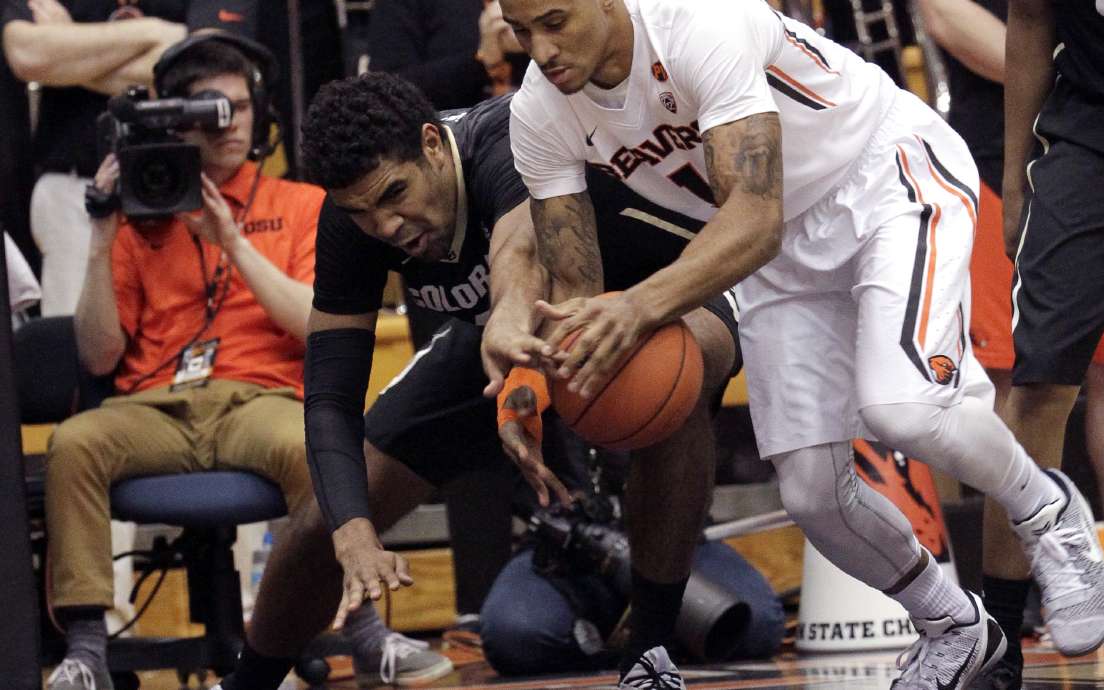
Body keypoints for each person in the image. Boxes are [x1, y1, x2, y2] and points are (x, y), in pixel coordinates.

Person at [492, 0, 1104, 687]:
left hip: (883, 178)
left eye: (554, 22)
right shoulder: (538, 112)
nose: (541, 50)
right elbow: (579, 287)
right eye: (522, 33)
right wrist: (538, 380)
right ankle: (954, 627)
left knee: (904, 409)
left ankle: (1047, 511)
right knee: (813, 492)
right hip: (780, 254)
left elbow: (752, 217)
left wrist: (641, 306)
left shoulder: (699, 24)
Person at [214, 70, 741, 689]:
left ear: (433, 146)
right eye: (362, 211)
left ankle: (648, 656)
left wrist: (525, 385)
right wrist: (353, 532)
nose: (385, 225)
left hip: (656, 293)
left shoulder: (510, 138)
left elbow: (523, 260)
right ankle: (246, 682)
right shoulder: (351, 222)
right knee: (327, 514)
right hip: (500, 332)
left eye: (395, 194)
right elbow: (329, 392)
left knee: (664, 382)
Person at [916, 1, 1104, 686]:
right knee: (1031, 372)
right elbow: (992, 20)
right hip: (1066, 129)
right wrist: (1022, 169)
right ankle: (1004, 621)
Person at [38, 33, 325, 690]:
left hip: (262, 400)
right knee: (76, 442)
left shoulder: (302, 204)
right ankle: (87, 651)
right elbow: (98, 353)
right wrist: (102, 237)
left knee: (322, 442)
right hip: (155, 406)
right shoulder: (142, 220)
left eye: (238, 107)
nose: (226, 125)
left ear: (261, 113)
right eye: (206, 111)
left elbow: (317, 325)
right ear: (175, 121)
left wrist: (233, 244)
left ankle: (355, 629)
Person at [0, 0, 255, 316]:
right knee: (78, 348)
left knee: (179, 335)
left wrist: (70, 43)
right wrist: (157, 33)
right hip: (77, 190)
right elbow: (28, 55)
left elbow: (210, 60)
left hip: (184, 191)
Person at [479, 441, 786, 675]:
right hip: (564, 548)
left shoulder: (671, 360)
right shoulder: (523, 365)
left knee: (758, 624)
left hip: (676, 536)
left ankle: (614, 642)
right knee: (514, 633)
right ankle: (649, 643)